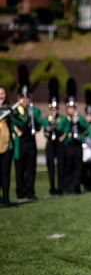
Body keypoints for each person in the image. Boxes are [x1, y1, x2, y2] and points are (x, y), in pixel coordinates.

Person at [13, 65, 42, 202]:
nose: (25, 100)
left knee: (31, 168)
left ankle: (30, 191)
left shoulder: (34, 111)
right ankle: (20, 191)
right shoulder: (15, 111)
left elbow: (39, 127)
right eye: (23, 97)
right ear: (19, 98)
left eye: (27, 97)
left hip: (31, 142)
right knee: (20, 168)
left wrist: (34, 120)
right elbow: (13, 124)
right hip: (20, 142)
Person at [41, 78, 68, 195]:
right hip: (50, 145)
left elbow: (66, 131)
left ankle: (61, 187)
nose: (54, 110)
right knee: (50, 167)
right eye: (52, 108)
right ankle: (52, 187)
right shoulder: (46, 119)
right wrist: (50, 127)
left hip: (60, 143)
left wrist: (59, 133)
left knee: (61, 167)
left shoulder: (62, 119)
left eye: (55, 108)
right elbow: (45, 132)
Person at [63, 78, 88, 194]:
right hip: (68, 144)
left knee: (78, 166)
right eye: (69, 108)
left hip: (77, 144)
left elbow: (85, 130)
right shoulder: (64, 119)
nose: (71, 110)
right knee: (68, 166)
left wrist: (77, 122)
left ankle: (76, 186)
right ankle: (68, 186)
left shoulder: (80, 118)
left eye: (73, 108)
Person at [0, 87, 15, 206]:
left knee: (5, 173)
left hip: (7, 145)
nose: (1, 96)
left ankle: (6, 198)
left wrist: (10, 114)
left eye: (3, 93)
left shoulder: (9, 109)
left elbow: (15, 124)